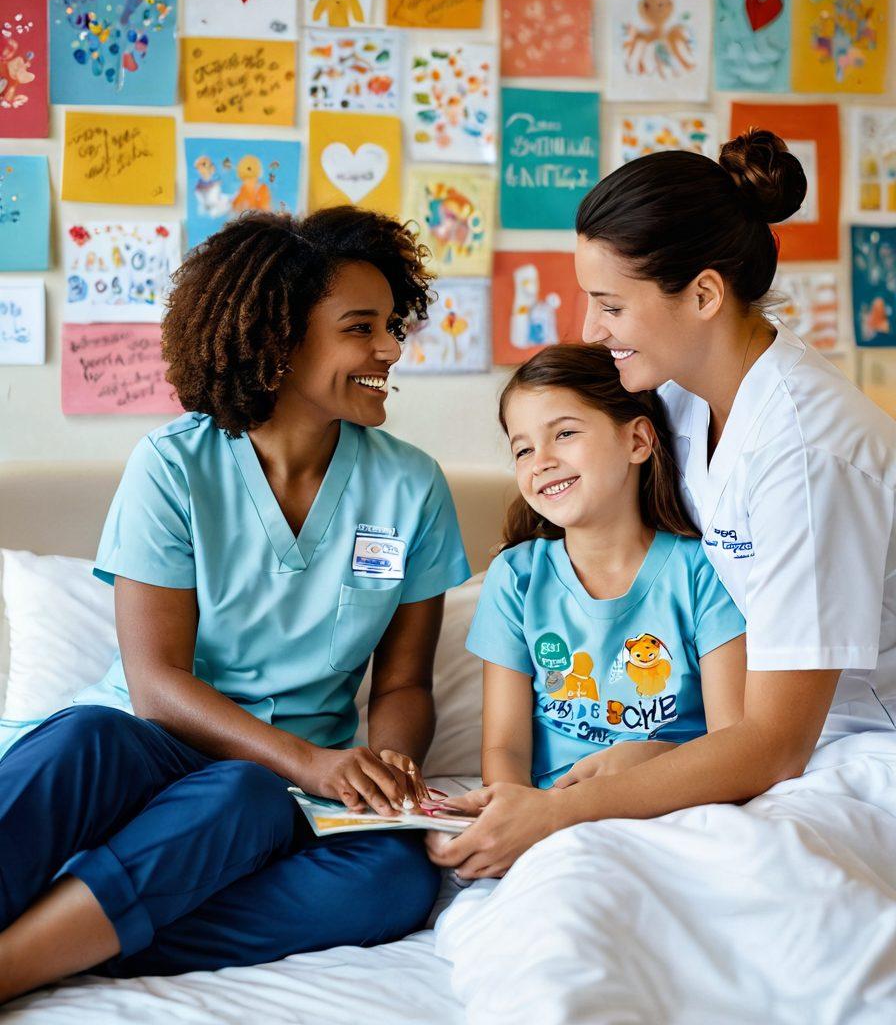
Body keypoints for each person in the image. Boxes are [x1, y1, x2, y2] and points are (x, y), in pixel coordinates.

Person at [0, 206, 471, 1002]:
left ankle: (67, 934)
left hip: (301, 791)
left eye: (392, 325)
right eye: (363, 328)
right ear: (279, 340)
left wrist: (391, 766)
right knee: (97, 743)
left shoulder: (412, 485)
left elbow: (401, 687)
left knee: (395, 882)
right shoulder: (173, 467)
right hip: (155, 756)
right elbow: (157, 686)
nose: (391, 349)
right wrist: (307, 762)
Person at [427, 128, 896, 880]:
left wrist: (558, 812)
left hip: (854, 749)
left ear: (705, 294)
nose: (589, 329)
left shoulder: (809, 455)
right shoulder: (674, 399)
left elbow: (776, 744)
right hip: (759, 745)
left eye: (610, 303)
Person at [463, 343, 745, 800]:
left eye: (565, 434)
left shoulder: (701, 571)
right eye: (523, 449)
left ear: (637, 441)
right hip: (553, 816)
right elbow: (504, 749)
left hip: (679, 801)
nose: (541, 461)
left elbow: (735, 743)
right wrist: (517, 812)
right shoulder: (515, 578)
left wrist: (651, 760)